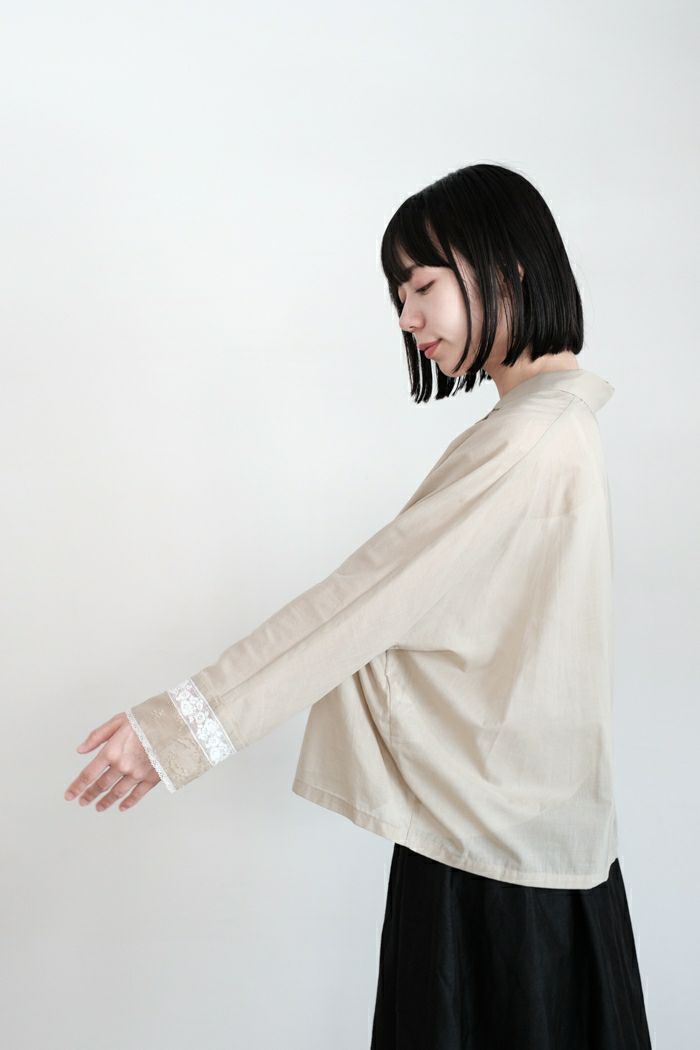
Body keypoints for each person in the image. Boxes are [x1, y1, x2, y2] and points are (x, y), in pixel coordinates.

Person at [64, 163, 653, 1048]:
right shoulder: (552, 423)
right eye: (398, 295)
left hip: (494, 867)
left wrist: (177, 729)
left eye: (422, 285)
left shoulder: (529, 439)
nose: (407, 317)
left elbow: (362, 604)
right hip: (514, 841)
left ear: (508, 269)